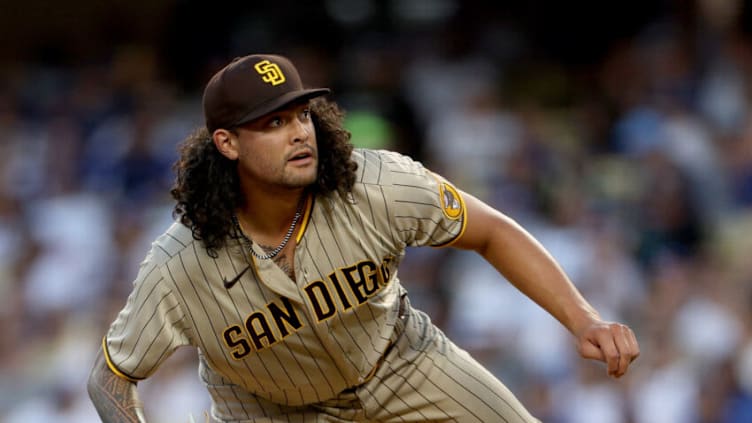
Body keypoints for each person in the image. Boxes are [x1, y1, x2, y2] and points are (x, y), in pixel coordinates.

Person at [87, 53, 640, 422]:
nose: (299, 131)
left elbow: (491, 231)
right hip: (275, 413)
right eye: (273, 123)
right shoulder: (180, 264)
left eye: (300, 113)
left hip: (402, 362)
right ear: (227, 144)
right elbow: (112, 379)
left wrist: (585, 319)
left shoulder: (374, 183)